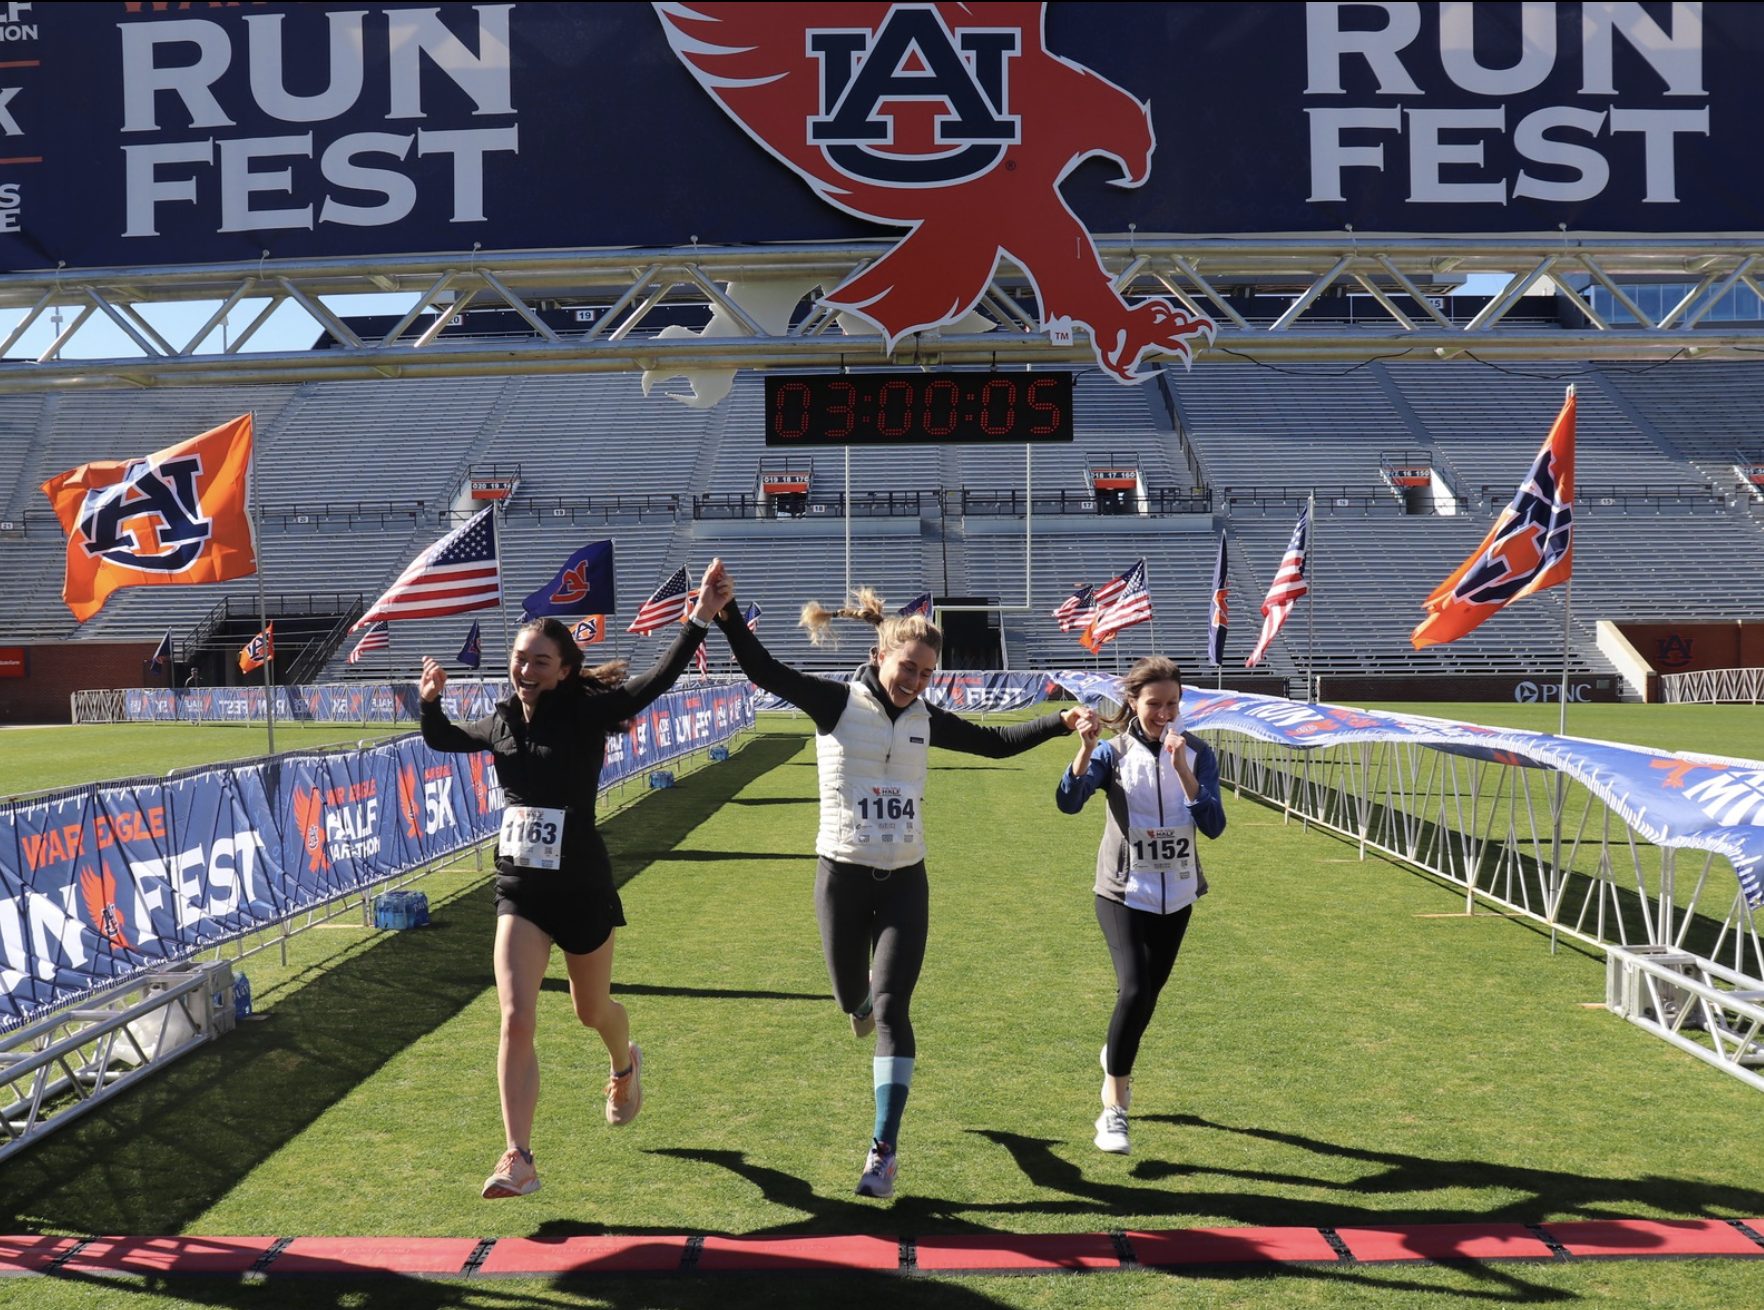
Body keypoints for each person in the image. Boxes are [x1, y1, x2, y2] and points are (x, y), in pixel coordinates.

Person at [711, 580, 1094, 1199]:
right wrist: (726, 616)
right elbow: (766, 670)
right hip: (840, 875)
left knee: (892, 1010)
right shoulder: (834, 703)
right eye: (908, 669)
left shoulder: (924, 718)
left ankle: (883, 1150)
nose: (916, 682)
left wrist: (1058, 721)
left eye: (927, 675)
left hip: (905, 883)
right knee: (851, 1000)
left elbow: (993, 744)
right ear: (881, 656)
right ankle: (856, 1006)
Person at [417, 560, 732, 1199]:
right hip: (520, 891)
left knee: (593, 1011)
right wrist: (429, 704)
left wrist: (698, 619)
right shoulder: (502, 719)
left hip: (582, 886)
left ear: (564, 668)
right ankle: (518, 1156)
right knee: (514, 1017)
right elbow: (448, 739)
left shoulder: (586, 713)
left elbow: (653, 683)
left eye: (539, 661)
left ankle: (625, 1062)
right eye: (519, 658)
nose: (525, 669)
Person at [1054, 656, 1226, 1156]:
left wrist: (1182, 772)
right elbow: (1069, 801)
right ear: (1133, 703)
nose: (1165, 713)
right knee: (1133, 989)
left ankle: (1116, 1051)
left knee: (1146, 997)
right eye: (1154, 704)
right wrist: (1085, 753)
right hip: (1123, 893)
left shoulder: (1197, 754)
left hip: (1179, 895)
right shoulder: (1114, 752)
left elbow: (1214, 826)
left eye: (1173, 703)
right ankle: (1114, 1109)